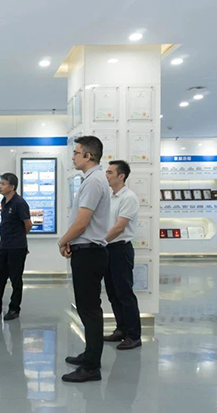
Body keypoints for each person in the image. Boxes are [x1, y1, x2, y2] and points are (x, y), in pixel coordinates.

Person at [58, 136, 111, 383]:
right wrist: (71, 240)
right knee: (87, 308)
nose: (73, 157)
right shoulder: (93, 179)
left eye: (76, 153)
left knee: (89, 310)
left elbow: (82, 222)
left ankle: (91, 367)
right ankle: (90, 355)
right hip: (86, 251)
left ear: (88, 156)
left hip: (89, 253)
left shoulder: (93, 182)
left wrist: (62, 241)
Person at [104, 160, 142, 350]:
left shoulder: (129, 197)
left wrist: (100, 242)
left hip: (120, 249)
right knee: (113, 293)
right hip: (108, 249)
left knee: (125, 293)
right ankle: (121, 329)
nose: (107, 175)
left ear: (121, 176)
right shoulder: (110, 197)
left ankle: (134, 336)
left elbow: (119, 227)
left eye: (110, 172)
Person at [0, 172, 32, 320]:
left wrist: (18, 237)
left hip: (17, 247)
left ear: (12, 187)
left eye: (3, 184)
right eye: (0, 183)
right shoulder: (4, 201)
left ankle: (14, 309)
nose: (0, 187)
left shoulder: (20, 203)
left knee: (15, 279)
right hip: (4, 245)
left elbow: (28, 224)